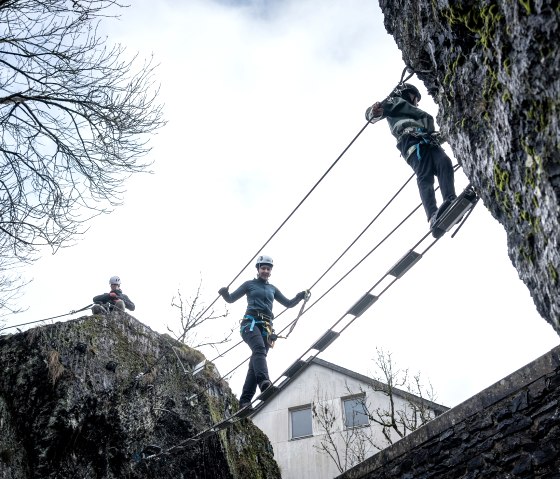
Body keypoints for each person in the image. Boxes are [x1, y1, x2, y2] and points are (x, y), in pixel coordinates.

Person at [365, 83, 457, 237]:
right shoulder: (393, 102)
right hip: (410, 141)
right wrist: (373, 112)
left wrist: (449, 133)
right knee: (424, 174)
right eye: (416, 98)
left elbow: (433, 132)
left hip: (429, 140)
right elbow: (372, 115)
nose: (417, 102)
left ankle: (450, 199)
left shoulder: (420, 115)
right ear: (407, 93)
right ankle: (433, 216)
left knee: (444, 162)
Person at [218, 255, 308, 409]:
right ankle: (264, 382)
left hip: (266, 329)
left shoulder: (272, 289)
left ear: (270, 271)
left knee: (255, 364)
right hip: (250, 324)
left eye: (268, 269)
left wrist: (300, 296)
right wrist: (225, 294)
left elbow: (288, 303)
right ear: (258, 269)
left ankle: (245, 401)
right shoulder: (249, 285)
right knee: (259, 350)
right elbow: (231, 298)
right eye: (263, 268)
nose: (265, 271)